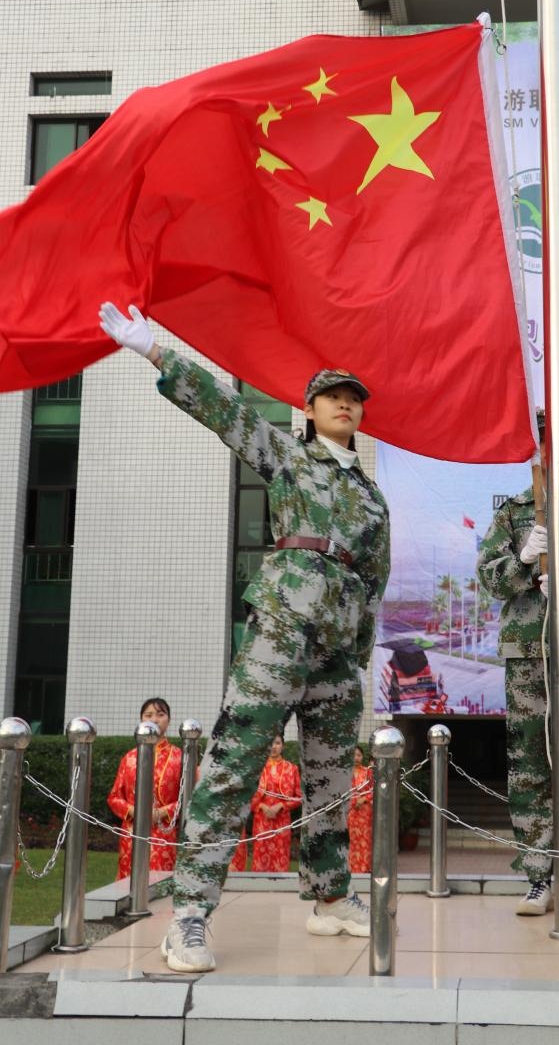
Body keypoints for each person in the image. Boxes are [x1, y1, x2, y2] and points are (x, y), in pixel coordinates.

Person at [99, 302, 391, 973]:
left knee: (328, 781)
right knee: (235, 765)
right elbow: (224, 413)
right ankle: (191, 915)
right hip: (281, 634)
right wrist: (155, 351)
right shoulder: (289, 456)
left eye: (353, 399)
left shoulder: (373, 497)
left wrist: (357, 655)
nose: (345, 405)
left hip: (338, 653)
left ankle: (328, 897)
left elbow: (374, 578)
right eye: (332, 397)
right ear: (310, 409)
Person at [477, 409, 559, 915]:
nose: (547, 447)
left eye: (554, 437)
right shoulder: (514, 513)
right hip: (529, 648)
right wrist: (523, 561)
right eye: (540, 439)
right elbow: (490, 579)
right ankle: (538, 877)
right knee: (529, 762)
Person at [107, 697, 182, 881]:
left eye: (160, 714)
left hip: (164, 832)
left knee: (160, 884)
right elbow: (114, 797)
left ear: (168, 720)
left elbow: (189, 798)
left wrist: (164, 811)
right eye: (148, 715)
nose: (154, 719)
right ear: (141, 720)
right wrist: (134, 811)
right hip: (133, 832)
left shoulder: (179, 757)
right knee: (129, 884)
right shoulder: (130, 758)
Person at [250, 734, 302, 872]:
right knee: (260, 854)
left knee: (280, 854)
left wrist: (281, 806)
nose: (274, 747)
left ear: (282, 746)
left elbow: (299, 797)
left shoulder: (292, 769)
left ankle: (279, 887)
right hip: (262, 818)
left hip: (282, 819)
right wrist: (262, 806)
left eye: (277, 743)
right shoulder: (257, 768)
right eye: (271, 743)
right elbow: (248, 794)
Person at [347, 745, 374, 874]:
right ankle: (351, 871)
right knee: (350, 842)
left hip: (365, 813)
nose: (356, 758)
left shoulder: (367, 772)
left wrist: (363, 799)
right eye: (353, 755)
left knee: (365, 841)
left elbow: (374, 789)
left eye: (358, 755)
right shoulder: (345, 773)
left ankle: (364, 870)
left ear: (362, 757)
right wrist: (353, 802)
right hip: (350, 812)